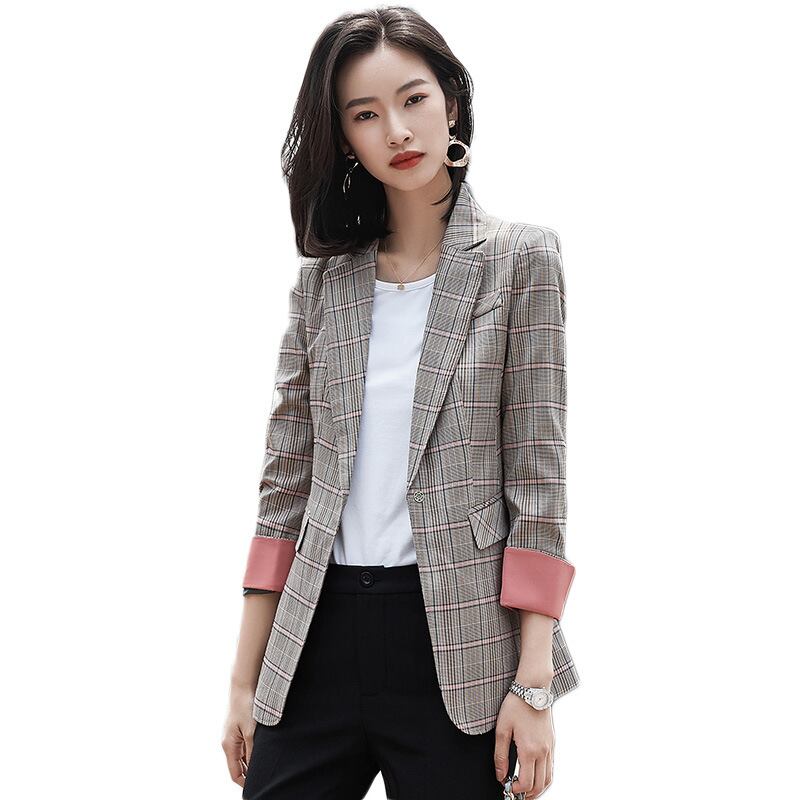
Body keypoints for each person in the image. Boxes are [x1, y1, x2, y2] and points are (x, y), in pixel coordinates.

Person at [221, 7, 580, 799]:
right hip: (314, 637)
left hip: (457, 646)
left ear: (451, 100)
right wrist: (244, 681)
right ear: (345, 138)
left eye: (413, 99)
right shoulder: (323, 288)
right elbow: (284, 493)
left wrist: (533, 686)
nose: (397, 130)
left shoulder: (522, 261)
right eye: (365, 114)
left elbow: (538, 481)